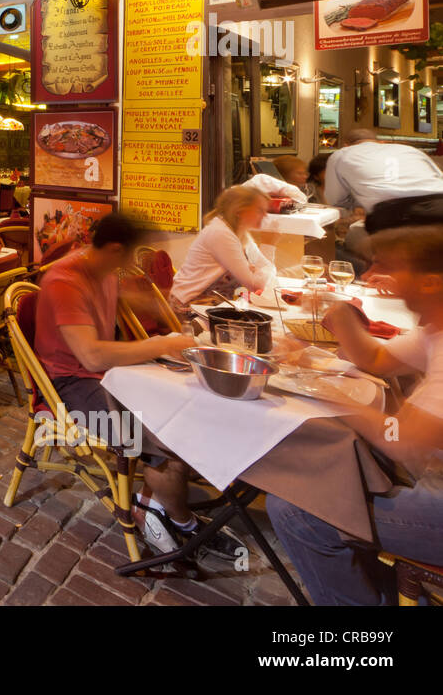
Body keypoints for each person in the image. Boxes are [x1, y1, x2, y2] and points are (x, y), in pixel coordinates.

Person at [36, 212, 244, 562]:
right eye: (130, 256)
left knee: (190, 408)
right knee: (170, 439)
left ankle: (150, 503)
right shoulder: (65, 281)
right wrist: (161, 345)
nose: (132, 264)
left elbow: (127, 303)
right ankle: (183, 521)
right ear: (115, 249)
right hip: (70, 387)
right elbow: (90, 356)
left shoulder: (101, 269)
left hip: (108, 375)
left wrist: (173, 314)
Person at [266, 223, 443, 604]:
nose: (375, 277)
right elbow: (376, 358)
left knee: (297, 510)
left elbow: (400, 439)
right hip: (433, 473)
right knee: (343, 472)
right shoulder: (435, 330)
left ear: (429, 282)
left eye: (391, 268)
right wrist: (340, 312)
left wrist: (328, 395)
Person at [169, 185, 276, 306]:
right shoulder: (221, 233)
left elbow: (268, 275)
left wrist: (256, 272)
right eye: (259, 210)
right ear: (239, 210)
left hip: (222, 303)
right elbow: (254, 286)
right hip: (192, 306)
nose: (265, 216)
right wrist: (268, 245)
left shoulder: (242, 234)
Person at [324, 128, 443, 213]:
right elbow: (439, 178)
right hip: (439, 203)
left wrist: (358, 205)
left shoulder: (341, 154)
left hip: (391, 211)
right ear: (381, 142)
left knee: (353, 239)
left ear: (346, 145)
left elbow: (335, 200)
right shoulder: (410, 149)